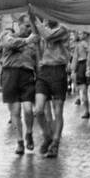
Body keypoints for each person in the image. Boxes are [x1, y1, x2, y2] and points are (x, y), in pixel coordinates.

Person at [0, 19, 38, 155]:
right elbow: (7, 43)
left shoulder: (34, 42)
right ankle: (20, 141)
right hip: (10, 74)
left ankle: (29, 133)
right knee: (16, 111)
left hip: (27, 75)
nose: (29, 29)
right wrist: (27, 40)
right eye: (26, 26)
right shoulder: (9, 36)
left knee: (28, 109)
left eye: (31, 27)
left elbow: (37, 60)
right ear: (19, 25)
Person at [32, 16, 70, 158]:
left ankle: (55, 143)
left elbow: (48, 36)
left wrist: (35, 20)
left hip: (58, 71)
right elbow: (39, 47)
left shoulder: (63, 29)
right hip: (44, 72)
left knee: (58, 110)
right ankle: (47, 135)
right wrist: (34, 41)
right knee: (39, 110)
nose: (48, 17)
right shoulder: (43, 31)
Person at [70, 32, 90, 119]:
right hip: (81, 65)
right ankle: (87, 111)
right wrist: (73, 70)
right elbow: (75, 58)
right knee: (84, 91)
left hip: (89, 65)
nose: (79, 35)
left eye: (81, 33)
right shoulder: (78, 45)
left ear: (86, 34)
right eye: (78, 33)